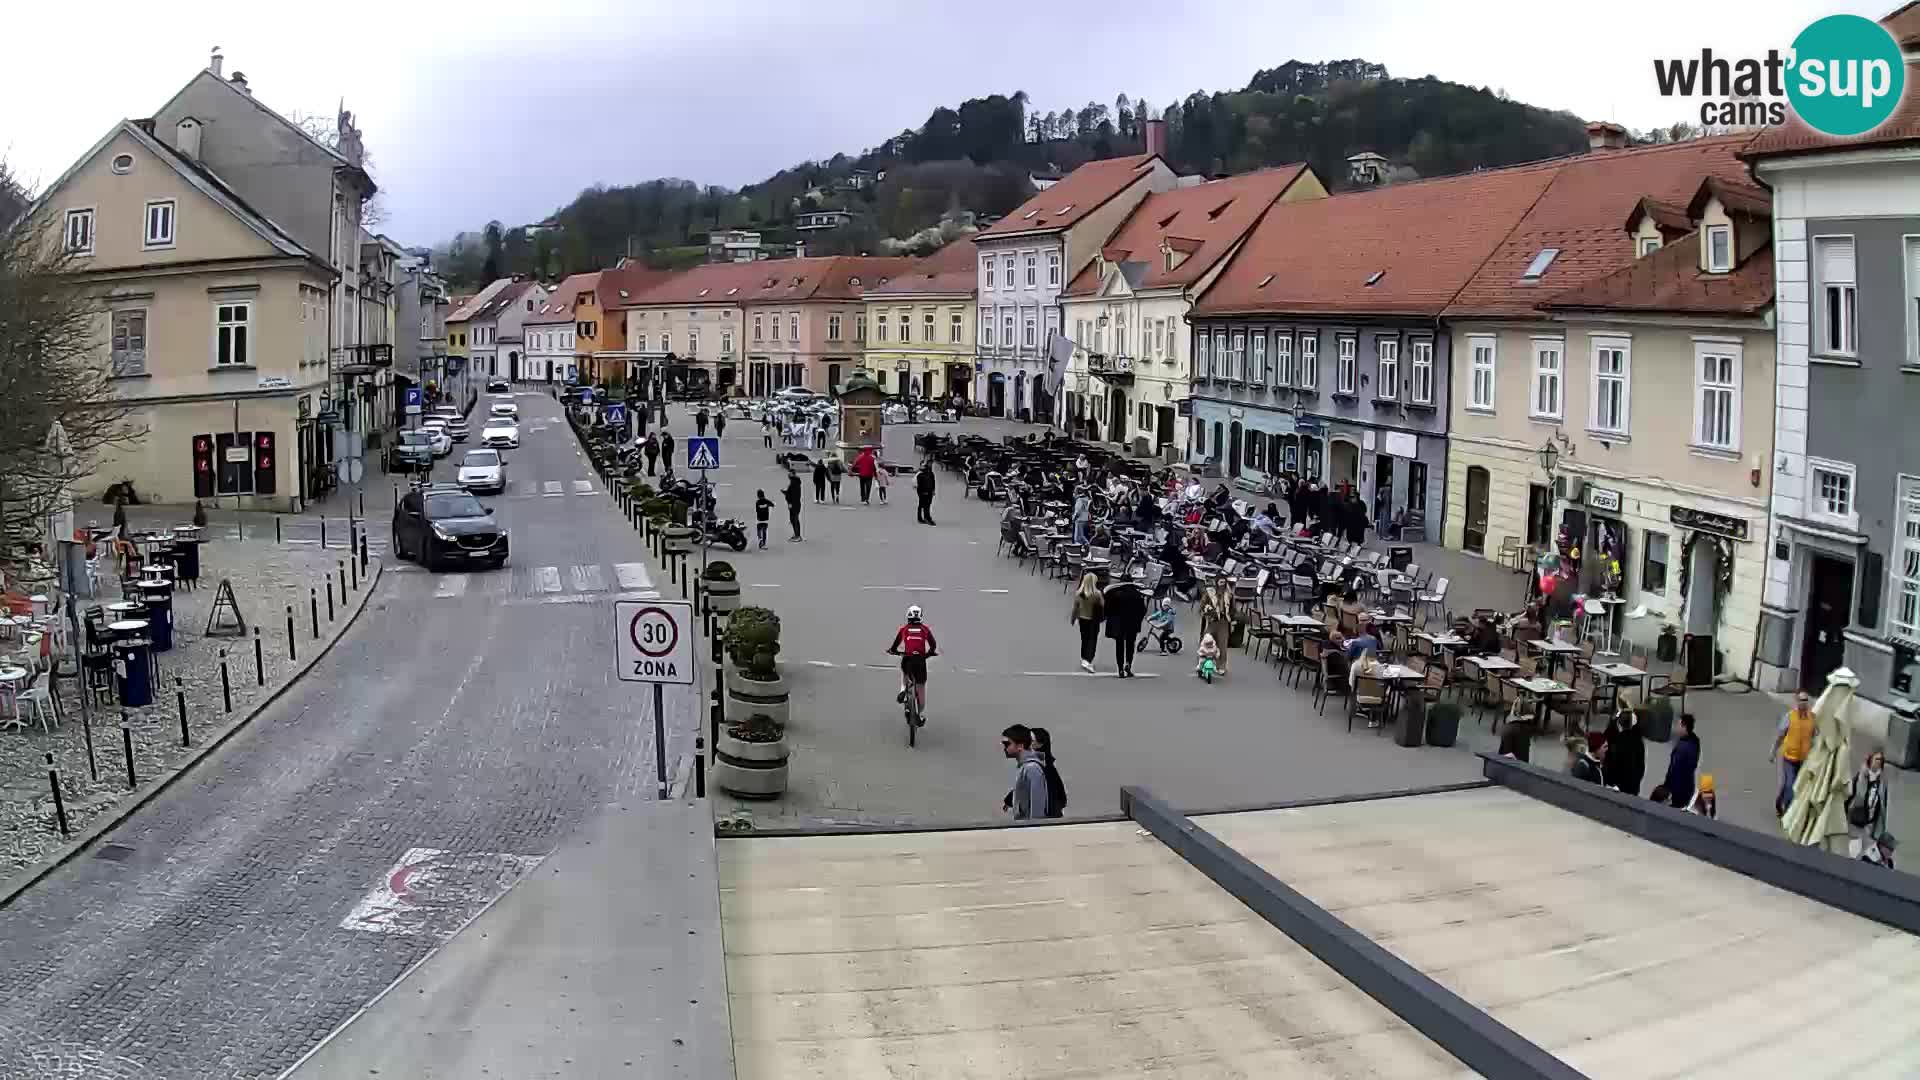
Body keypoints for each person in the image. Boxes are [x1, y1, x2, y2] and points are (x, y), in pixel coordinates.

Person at [887, 604, 939, 721]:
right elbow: (933, 645)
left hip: (908, 659)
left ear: (908, 616)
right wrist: (929, 653)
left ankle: (902, 691)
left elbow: (895, 645)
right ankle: (919, 715)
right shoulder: (925, 629)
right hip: (920, 661)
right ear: (920, 616)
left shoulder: (904, 629)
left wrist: (893, 651)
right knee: (921, 688)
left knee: (904, 672)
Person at [1771, 689, 1815, 817]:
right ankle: (1785, 810)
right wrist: (1773, 751)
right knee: (1789, 785)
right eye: (1801, 700)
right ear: (1796, 701)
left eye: (1806, 700)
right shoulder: (1789, 716)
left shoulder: (1812, 718)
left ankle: (1785, 806)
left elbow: (1814, 737)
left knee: (1796, 786)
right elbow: (1780, 736)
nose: (1804, 702)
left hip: (1803, 760)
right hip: (1789, 758)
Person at [1845, 750, 1891, 857]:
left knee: (1865, 851)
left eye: (1881, 760)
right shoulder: (1861, 776)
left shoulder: (1882, 782)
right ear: (1870, 760)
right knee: (1852, 848)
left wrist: (1882, 826)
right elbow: (1850, 793)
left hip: (1870, 823)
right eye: (1877, 759)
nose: (1879, 762)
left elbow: (1882, 804)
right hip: (1856, 819)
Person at [1002, 725, 1051, 820]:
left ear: (1020, 746)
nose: (1004, 748)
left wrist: (1034, 830)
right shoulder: (1025, 767)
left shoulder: (1032, 769)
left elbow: (1038, 806)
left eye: (1007, 744)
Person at [1103, 578, 1147, 678]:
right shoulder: (1137, 595)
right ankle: (1128, 664)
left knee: (1119, 646)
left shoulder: (1114, 594)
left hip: (1119, 625)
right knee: (1130, 645)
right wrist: (1138, 620)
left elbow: (1107, 609)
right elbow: (1143, 610)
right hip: (1132, 624)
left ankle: (1120, 669)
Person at [1601, 708, 1645, 797]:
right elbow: (1641, 765)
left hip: (1617, 785)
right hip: (1632, 785)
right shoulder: (1639, 742)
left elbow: (1609, 763)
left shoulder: (1616, 742)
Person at [1663, 712, 1701, 809]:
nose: (1676, 727)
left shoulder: (1685, 746)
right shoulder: (1691, 740)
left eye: (1678, 725)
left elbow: (1677, 769)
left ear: (1684, 726)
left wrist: (1668, 787)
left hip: (1680, 790)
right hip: (1684, 788)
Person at [1198, 574, 1233, 678]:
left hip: (1224, 622)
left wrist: (1233, 619)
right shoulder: (1209, 593)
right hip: (1212, 621)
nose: (1223, 585)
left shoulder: (1229, 594)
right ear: (1216, 583)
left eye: (1224, 582)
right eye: (1220, 582)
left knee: (1222, 645)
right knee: (1206, 642)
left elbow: (1232, 608)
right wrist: (1206, 610)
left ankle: (1221, 666)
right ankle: (1202, 663)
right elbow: (1202, 606)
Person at [1070, 573, 1104, 674]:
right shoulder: (1097, 594)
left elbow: (1075, 608)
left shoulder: (1079, 593)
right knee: (1092, 640)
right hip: (1093, 620)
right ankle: (1089, 659)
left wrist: (1073, 619)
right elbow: (1103, 605)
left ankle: (1084, 657)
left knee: (1084, 639)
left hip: (1083, 619)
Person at [783, 472, 803, 542]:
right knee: (794, 520)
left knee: (794, 520)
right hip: (796, 504)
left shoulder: (793, 484)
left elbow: (791, 495)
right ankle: (796, 535)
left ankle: (797, 536)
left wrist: (785, 493)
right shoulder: (796, 483)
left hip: (793, 504)